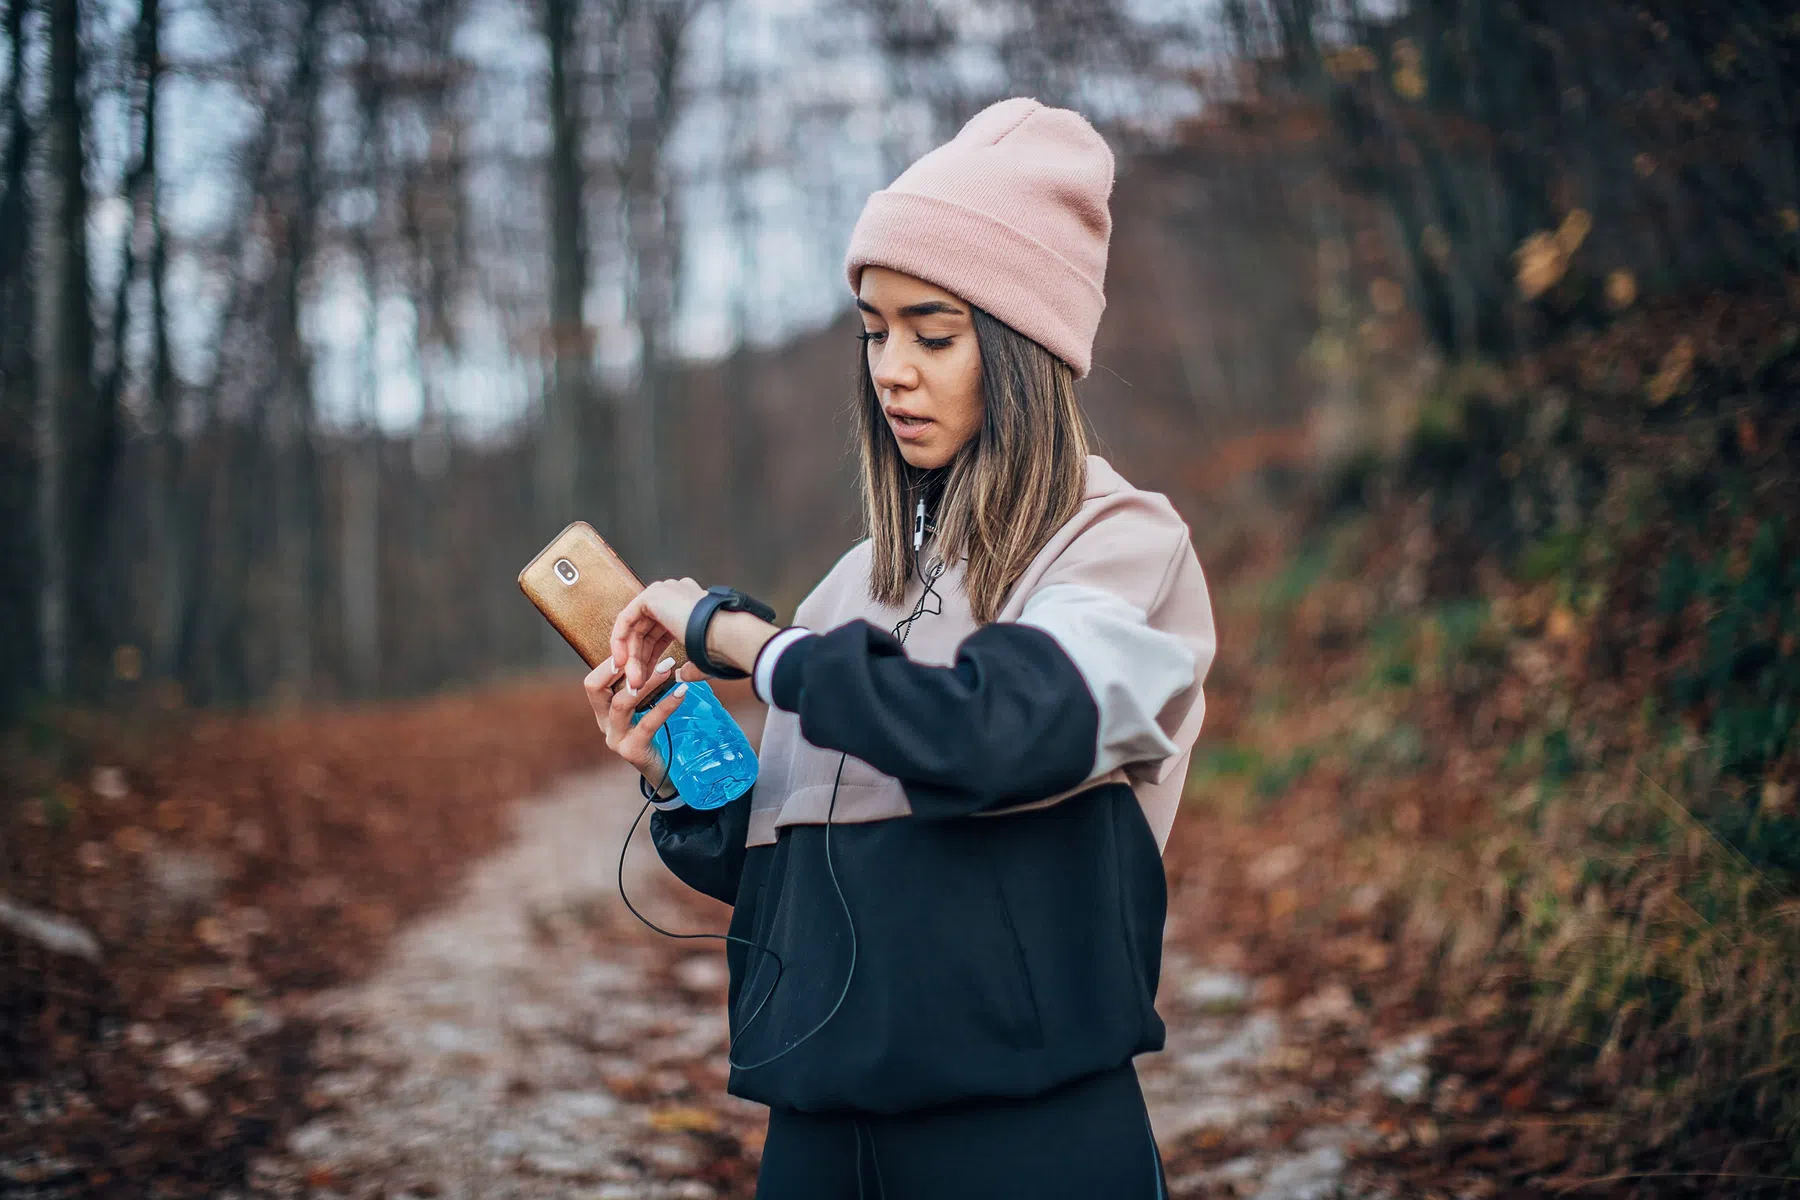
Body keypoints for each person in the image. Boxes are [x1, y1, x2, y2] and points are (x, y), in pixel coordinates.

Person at [584, 96, 1216, 1199]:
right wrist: (680, 774)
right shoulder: (854, 587)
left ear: (1023, 347)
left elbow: (995, 735)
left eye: (934, 332)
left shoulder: (1117, 547)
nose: (893, 370)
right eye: (874, 333)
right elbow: (807, 883)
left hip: (1026, 1132)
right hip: (824, 1131)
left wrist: (748, 638)